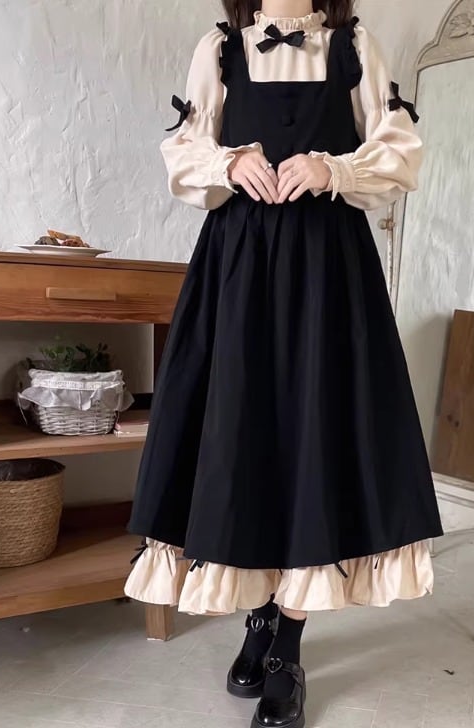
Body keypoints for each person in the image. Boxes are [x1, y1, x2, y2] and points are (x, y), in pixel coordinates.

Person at [126, 1, 443, 726]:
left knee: (313, 442)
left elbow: (400, 150)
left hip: (329, 274)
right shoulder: (220, 49)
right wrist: (230, 161)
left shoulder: (354, 45)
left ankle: (286, 649)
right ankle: (259, 617)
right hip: (238, 273)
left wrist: (332, 167)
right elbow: (184, 151)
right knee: (244, 439)